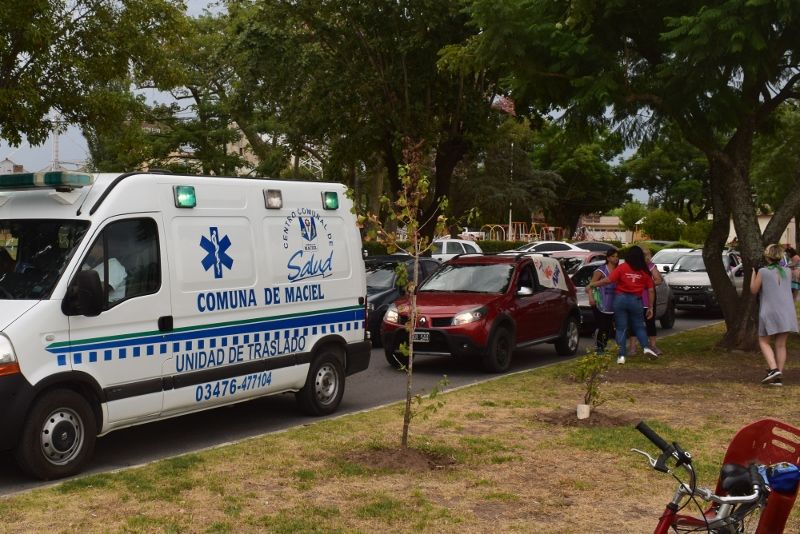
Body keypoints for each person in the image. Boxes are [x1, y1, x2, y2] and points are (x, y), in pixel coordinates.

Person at [589, 246, 658, 364]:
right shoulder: (644, 271)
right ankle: (646, 348)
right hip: (636, 300)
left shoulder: (622, 267)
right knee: (639, 326)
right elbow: (651, 290)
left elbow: (608, 280)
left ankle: (621, 356)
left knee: (621, 328)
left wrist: (593, 285)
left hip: (620, 299)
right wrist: (650, 307)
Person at [751, 244, 799, 386]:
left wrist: (753, 272)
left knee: (763, 341)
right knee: (781, 344)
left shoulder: (763, 271)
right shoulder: (787, 271)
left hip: (770, 311)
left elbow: (753, 290)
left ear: (767, 256)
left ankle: (773, 369)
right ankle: (778, 377)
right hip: (787, 311)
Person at [627, 246, 664, 355]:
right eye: (643, 254)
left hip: (648, 298)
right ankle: (632, 347)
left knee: (650, 323)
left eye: (647, 254)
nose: (646, 257)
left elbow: (658, 280)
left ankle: (653, 346)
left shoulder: (651, 266)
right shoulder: (632, 266)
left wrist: (647, 285)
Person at [586, 248, 619, 353]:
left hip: (613, 303)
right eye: (613, 256)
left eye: (617, 256)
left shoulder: (619, 270)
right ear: (608, 258)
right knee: (602, 326)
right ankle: (599, 348)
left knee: (609, 327)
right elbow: (589, 286)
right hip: (601, 302)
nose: (616, 258)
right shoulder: (601, 270)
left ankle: (603, 346)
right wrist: (591, 298)